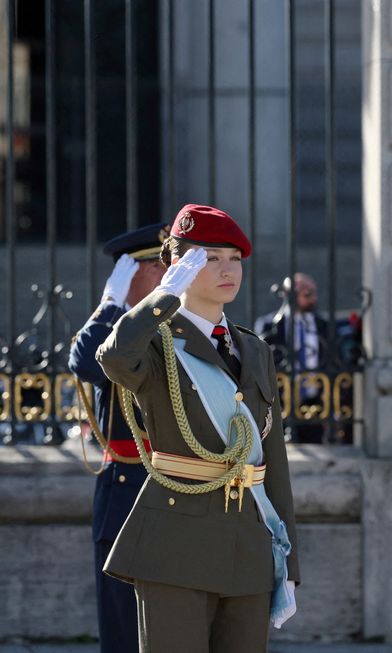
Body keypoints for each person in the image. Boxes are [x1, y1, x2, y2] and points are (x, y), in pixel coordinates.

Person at [96, 204, 300, 652]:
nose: (227, 270)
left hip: (249, 543)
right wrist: (160, 300)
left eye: (234, 259)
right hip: (175, 547)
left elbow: (272, 459)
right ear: (178, 267)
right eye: (210, 259)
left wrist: (288, 557)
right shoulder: (155, 341)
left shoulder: (255, 348)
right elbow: (111, 358)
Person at [68, 222, 168, 653]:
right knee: (124, 623)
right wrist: (111, 301)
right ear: (132, 275)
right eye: (157, 266)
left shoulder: (173, 324)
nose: (169, 274)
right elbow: (86, 361)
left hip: (176, 484)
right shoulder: (115, 327)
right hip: (126, 487)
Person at [255, 273, 331, 443]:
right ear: (290, 295)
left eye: (314, 293)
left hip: (315, 402)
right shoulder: (270, 325)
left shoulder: (323, 325)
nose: (314, 299)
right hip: (279, 401)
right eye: (307, 294)